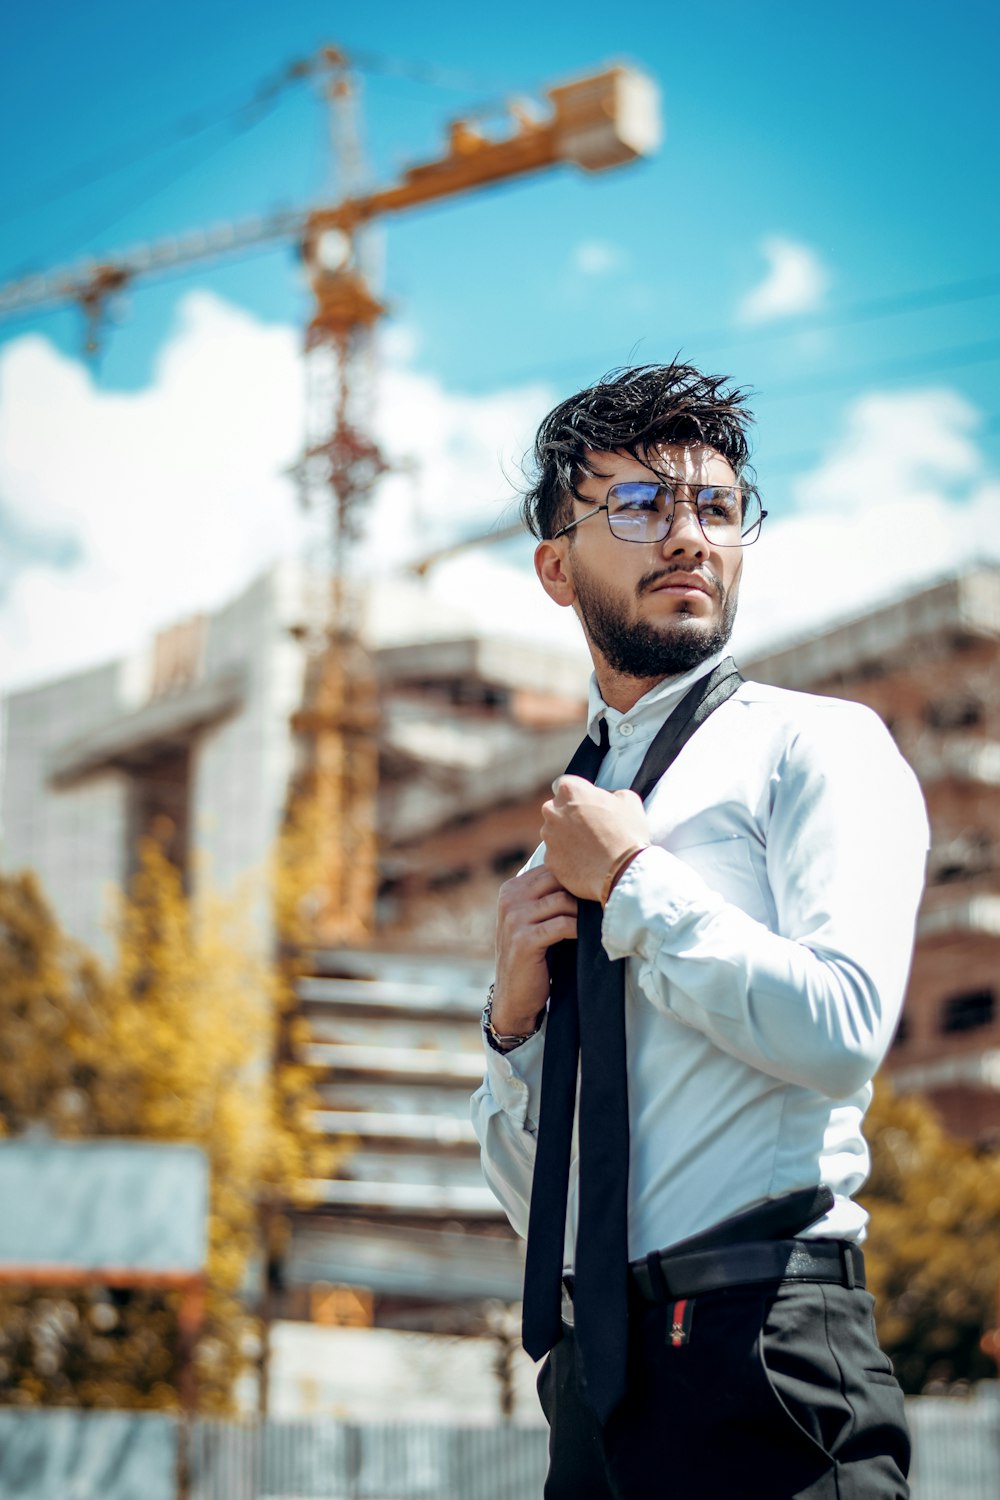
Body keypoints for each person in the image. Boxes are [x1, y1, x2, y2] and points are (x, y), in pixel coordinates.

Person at [470, 363, 928, 1499]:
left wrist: (633, 885)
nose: (686, 536)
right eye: (637, 506)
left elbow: (842, 1028)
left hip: (764, 1345)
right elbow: (548, 1203)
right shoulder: (554, 845)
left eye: (714, 508)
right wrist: (512, 1031)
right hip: (592, 1381)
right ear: (555, 567)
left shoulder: (816, 746)